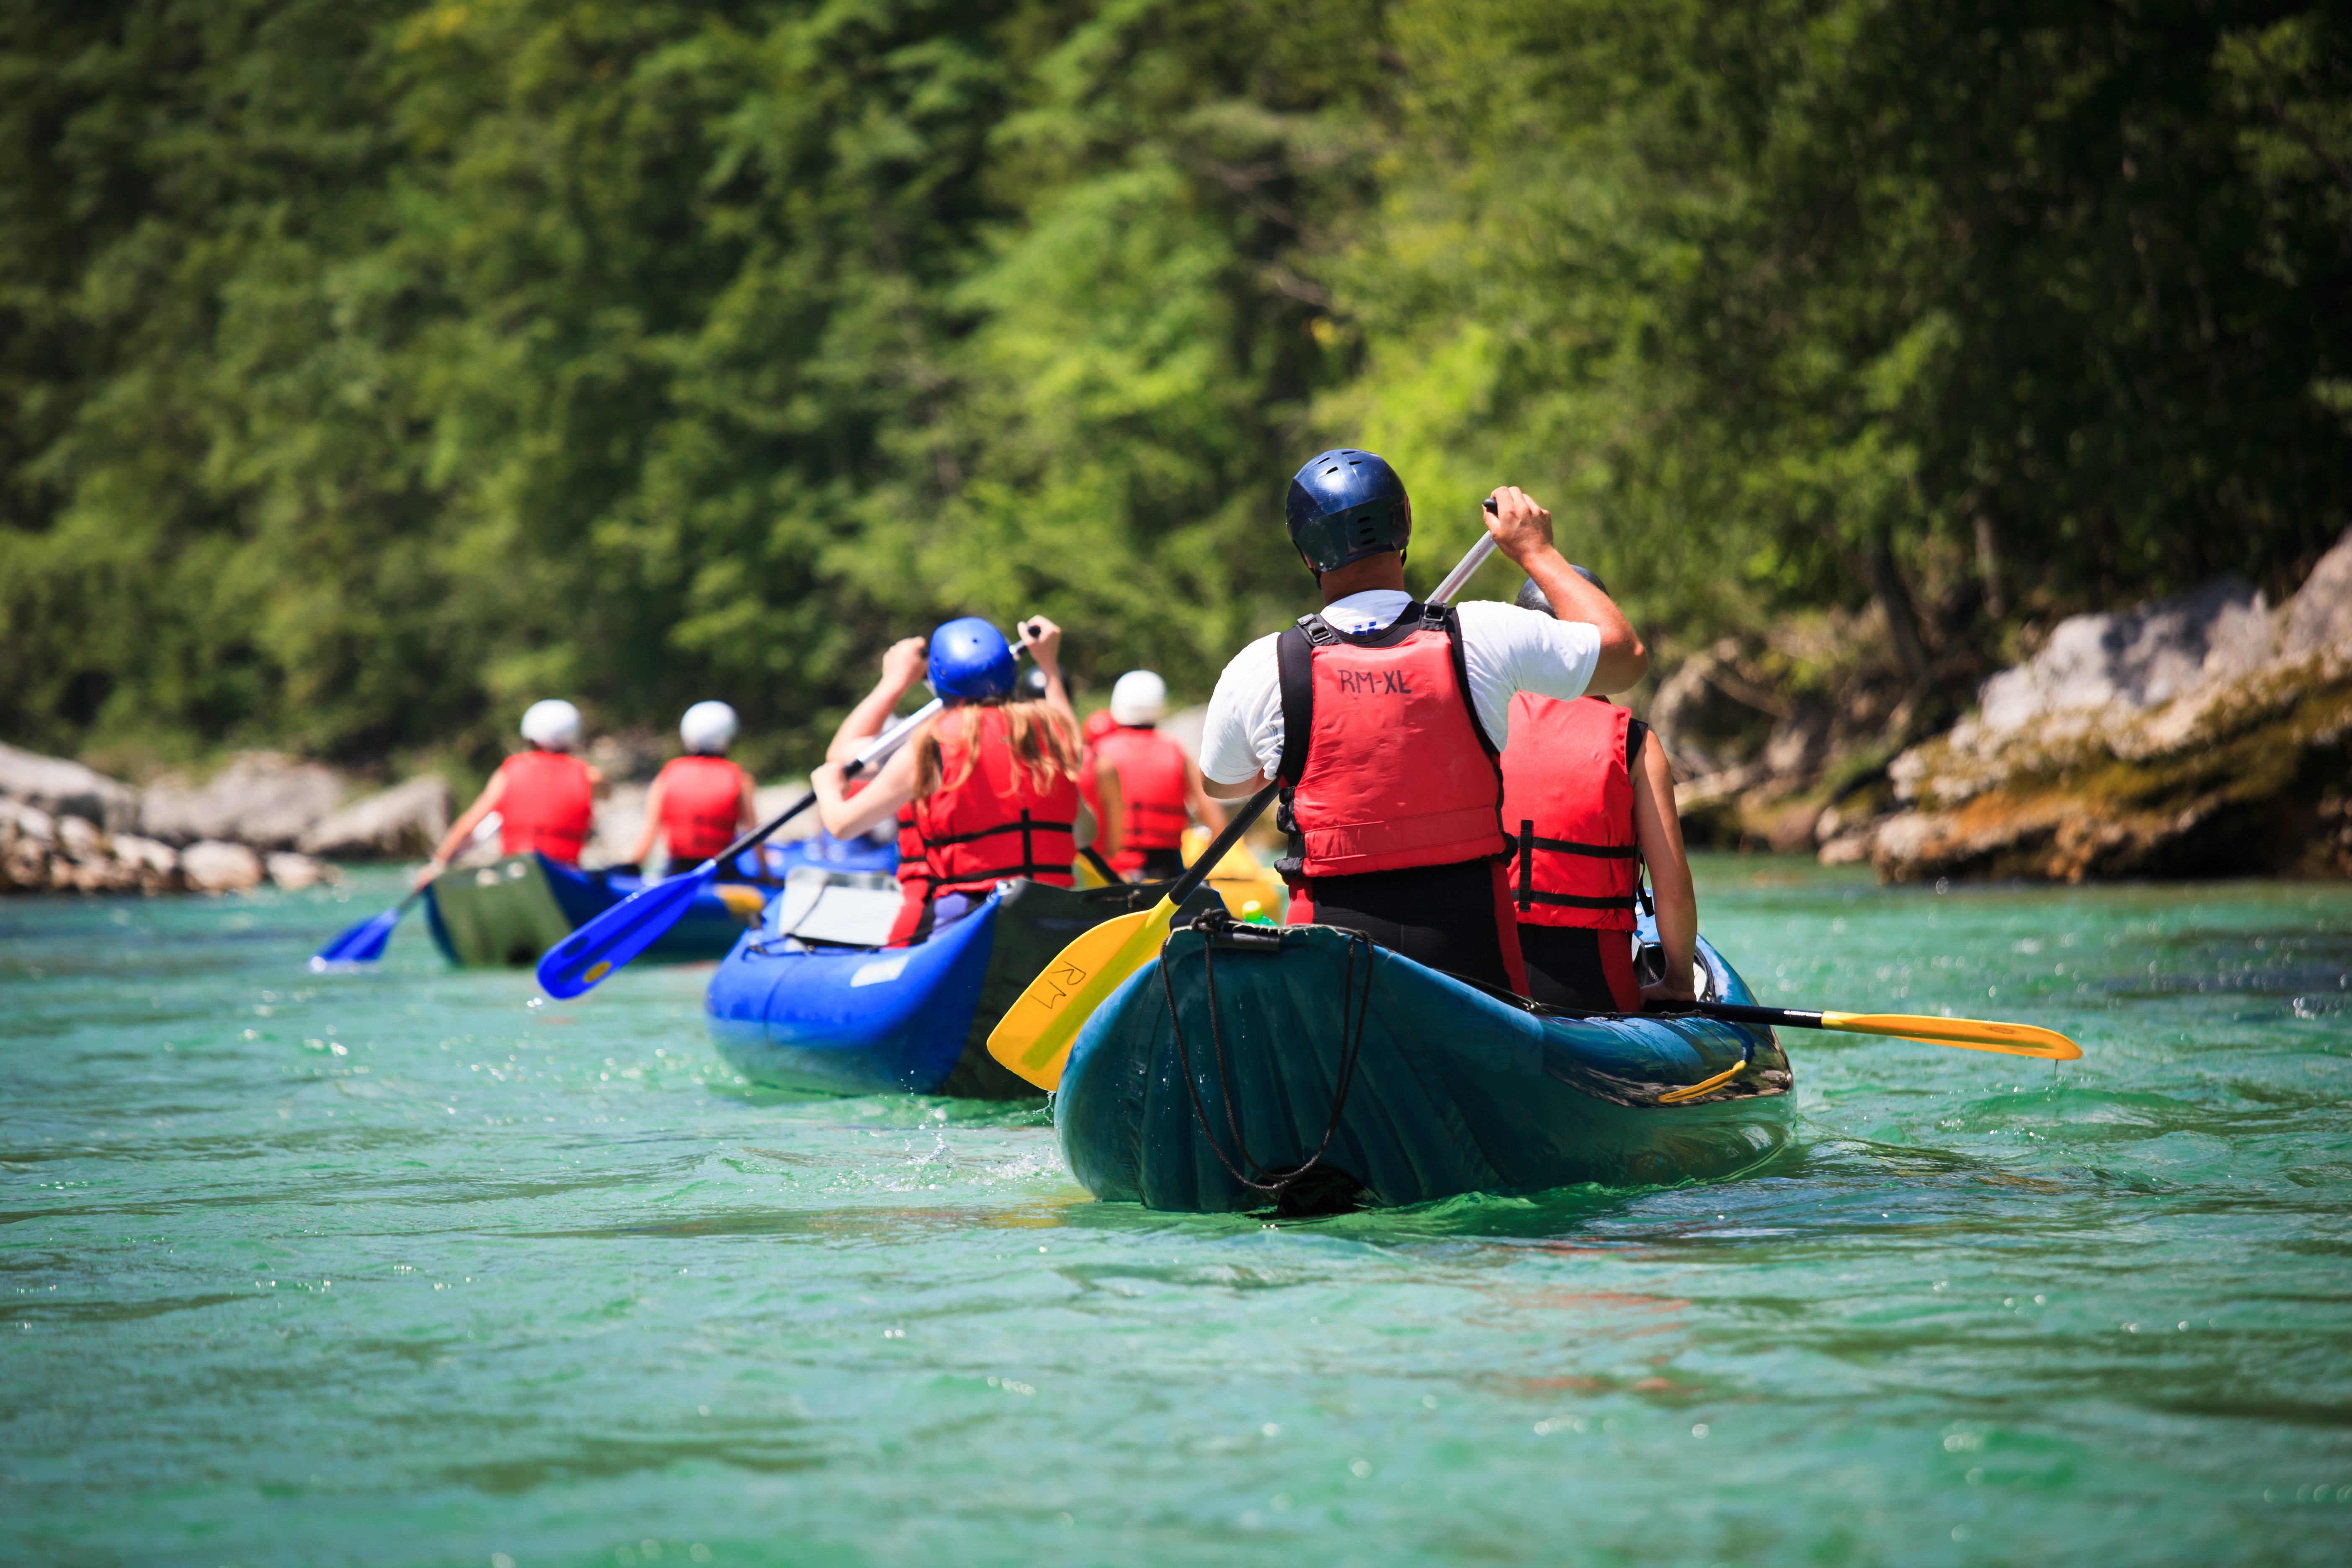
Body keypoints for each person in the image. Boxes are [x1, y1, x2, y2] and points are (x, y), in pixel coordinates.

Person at [1198, 449, 1648, 996]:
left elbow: (1223, 786)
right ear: (1402, 526)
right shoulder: (1485, 636)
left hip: (1332, 958)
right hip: (1472, 958)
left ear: (1306, 554)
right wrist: (1537, 552)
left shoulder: (1261, 667)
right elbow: (1625, 656)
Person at [812, 617, 1120, 944]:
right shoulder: (1049, 732)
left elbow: (843, 823)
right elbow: (1075, 760)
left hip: (968, 918)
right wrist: (1049, 666)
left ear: (940, 681)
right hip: (1052, 912)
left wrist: (827, 789)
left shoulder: (931, 745)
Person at [1500, 574, 1697, 1012]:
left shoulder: (1476, 719)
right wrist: (1679, 982)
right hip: (1593, 987)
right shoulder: (1633, 742)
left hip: (1480, 976)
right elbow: (1673, 891)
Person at [416, 699, 603, 888]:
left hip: (518, 872)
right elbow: (603, 796)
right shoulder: (589, 776)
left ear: (530, 736)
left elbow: (469, 824)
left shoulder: (509, 772)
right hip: (566, 875)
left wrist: (437, 865)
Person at [1093, 670, 1228, 881]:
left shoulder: (1100, 752)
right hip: (1167, 870)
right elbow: (1217, 824)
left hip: (1110, 870)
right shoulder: (1176, 751)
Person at [623, 701, 757, 874]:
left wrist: (632, 867)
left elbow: (650, 831)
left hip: (678, 872)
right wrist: (764, 876)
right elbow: (752, 833)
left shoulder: (668, 775)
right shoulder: (740, 778)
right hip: (722, 872)